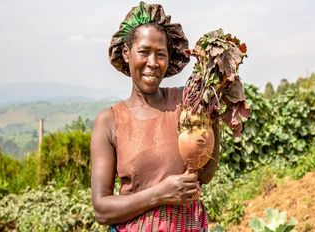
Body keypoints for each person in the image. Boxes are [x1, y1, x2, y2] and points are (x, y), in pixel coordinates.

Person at [91, 2, 219, 231]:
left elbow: (206, 175)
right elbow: (101, 209)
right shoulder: (109, 121)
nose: (152, 63)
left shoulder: (187, 104)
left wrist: (212, 116)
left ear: (169, 58)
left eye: (161, 54)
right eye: (144, 52)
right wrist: (160, 194)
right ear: (126, 53)